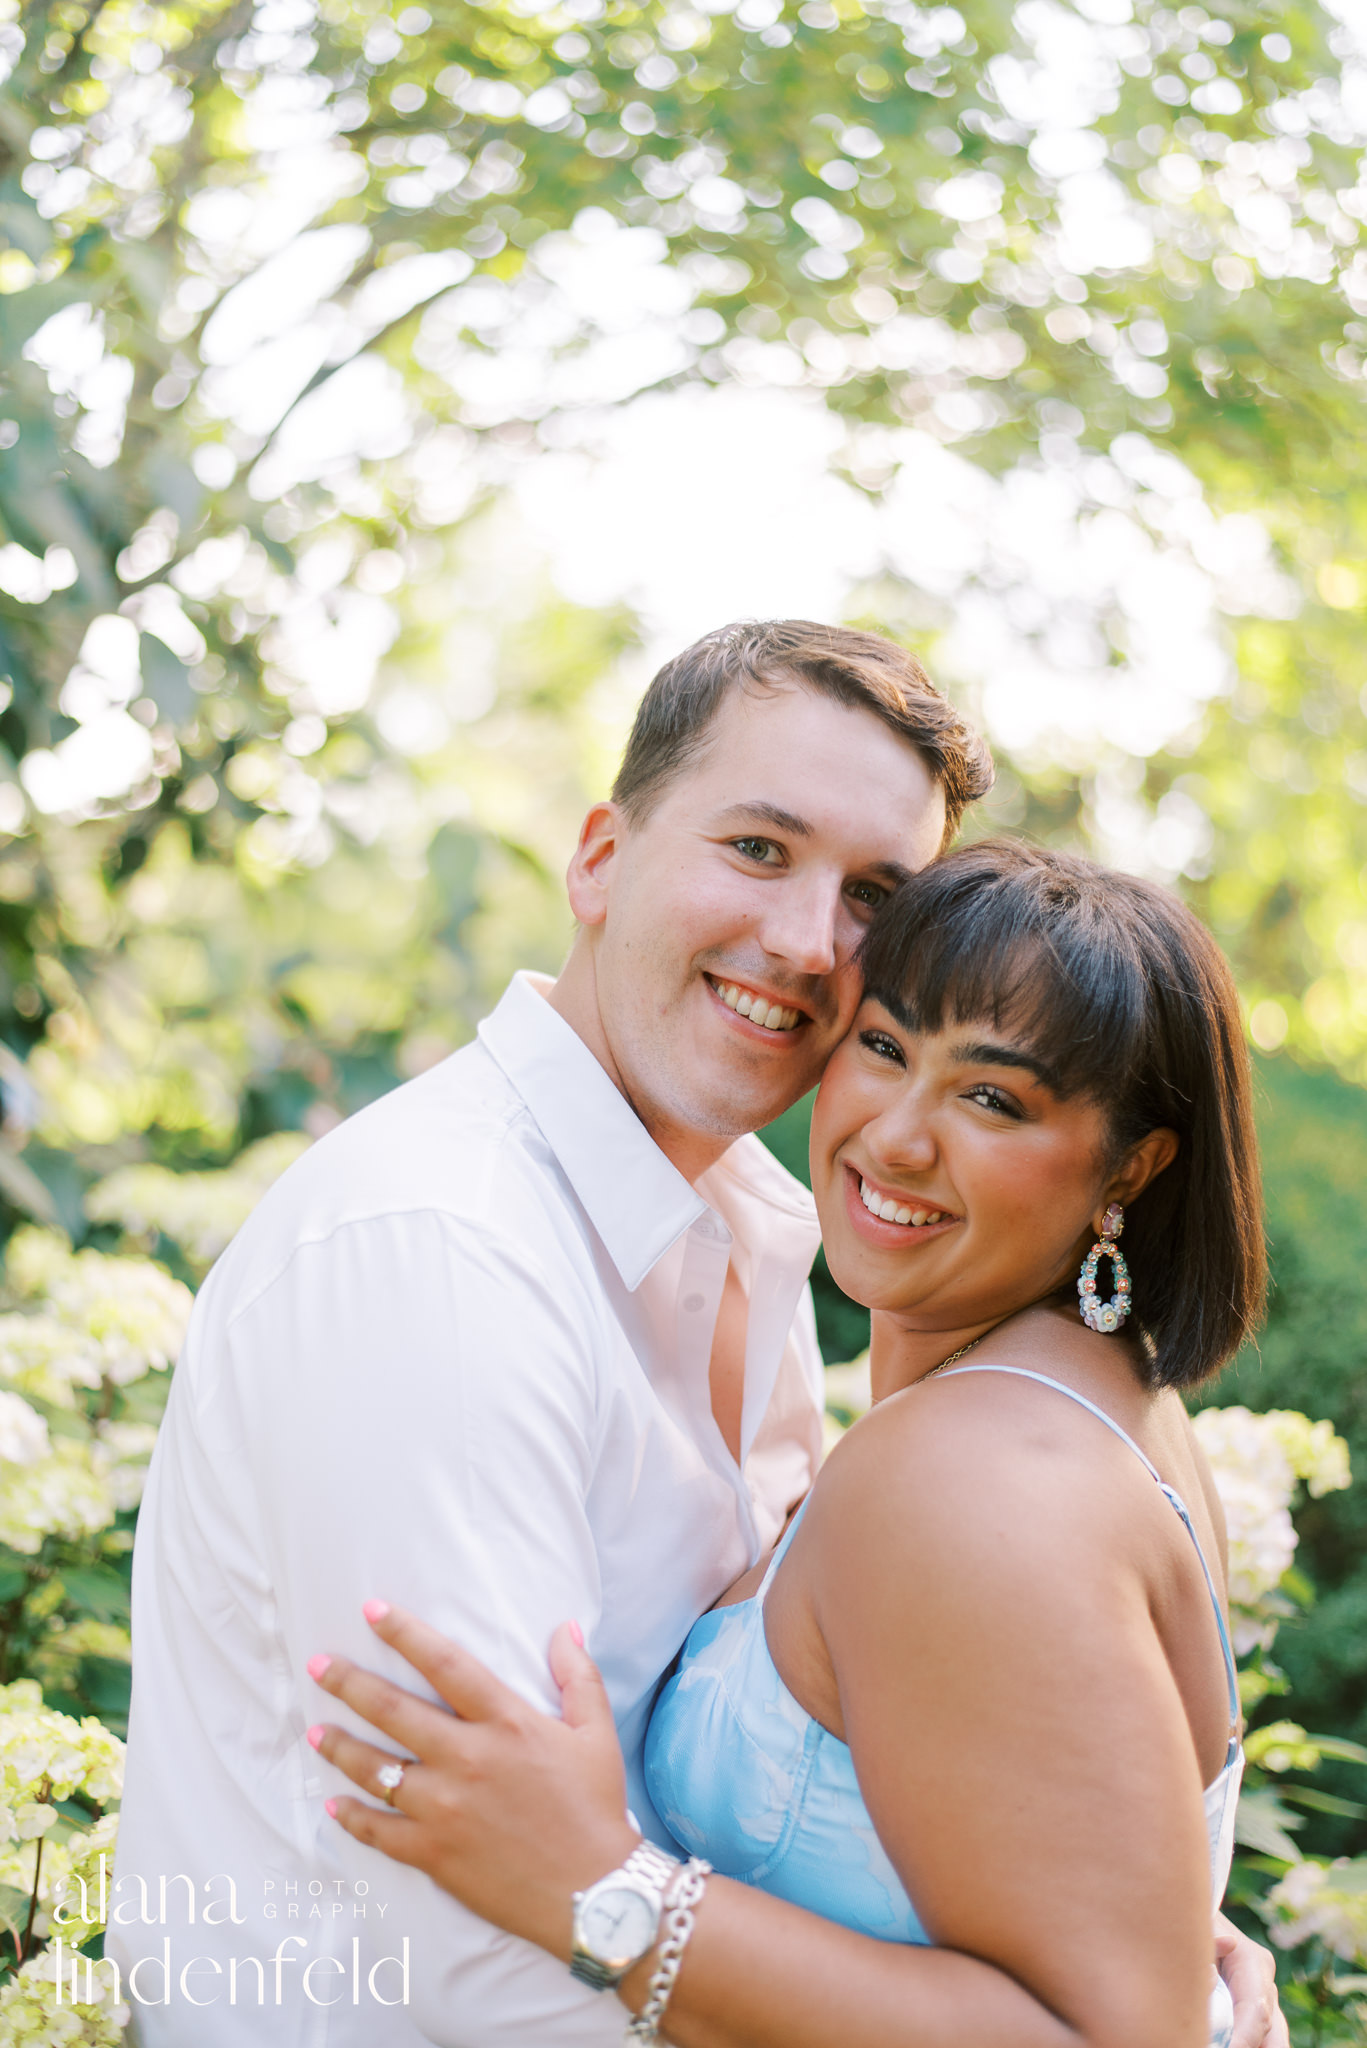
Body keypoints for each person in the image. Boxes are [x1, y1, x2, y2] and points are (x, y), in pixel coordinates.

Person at [112, 624, 1279, 2045]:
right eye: (757, 848)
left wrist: (1106, 1903)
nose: (805, 941)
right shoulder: (442, 1263)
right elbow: (479, 1957)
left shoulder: (761, 1238)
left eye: (872, 897)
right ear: (599, 855)